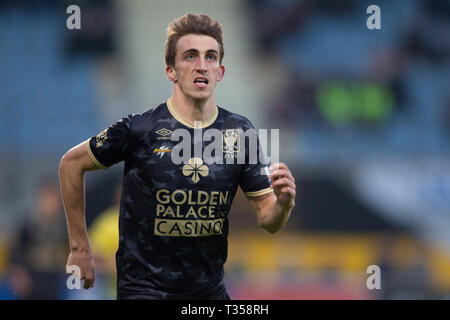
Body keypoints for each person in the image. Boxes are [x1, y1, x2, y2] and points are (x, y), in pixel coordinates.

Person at [59, 13, 296, 300]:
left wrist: (283, 204)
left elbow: (268, 220)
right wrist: (79, 247)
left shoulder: (241, 132)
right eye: (190, 56)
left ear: (220, 72)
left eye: (210, 57)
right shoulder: (140, 129)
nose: (202, 66)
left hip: (208, 293)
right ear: (171, 70)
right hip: (145, 292)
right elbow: (71, 164)